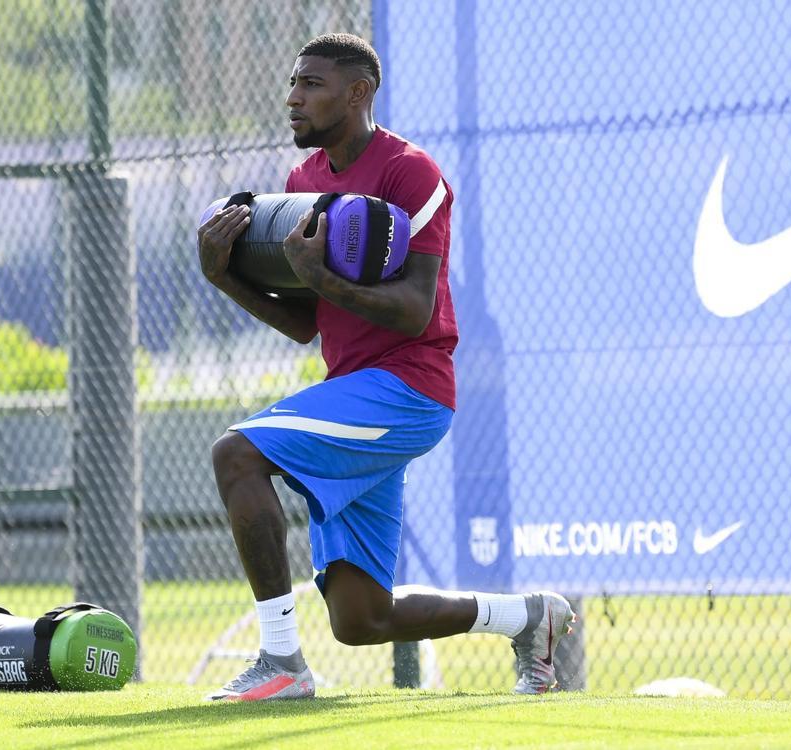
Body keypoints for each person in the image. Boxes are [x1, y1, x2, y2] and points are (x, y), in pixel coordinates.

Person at [196, 32, 574, 701]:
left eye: (311, 84)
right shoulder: (302, 182)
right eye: (292, 83)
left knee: (237, 455)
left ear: (359, 92)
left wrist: (322, 278)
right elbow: (307, 323)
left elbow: (412, 311)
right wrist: (224, 277)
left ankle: (281, 663)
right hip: (354, 391)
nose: (293, 98)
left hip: (409, 392)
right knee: (362, 619)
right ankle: (527, 617)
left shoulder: (411, 173)